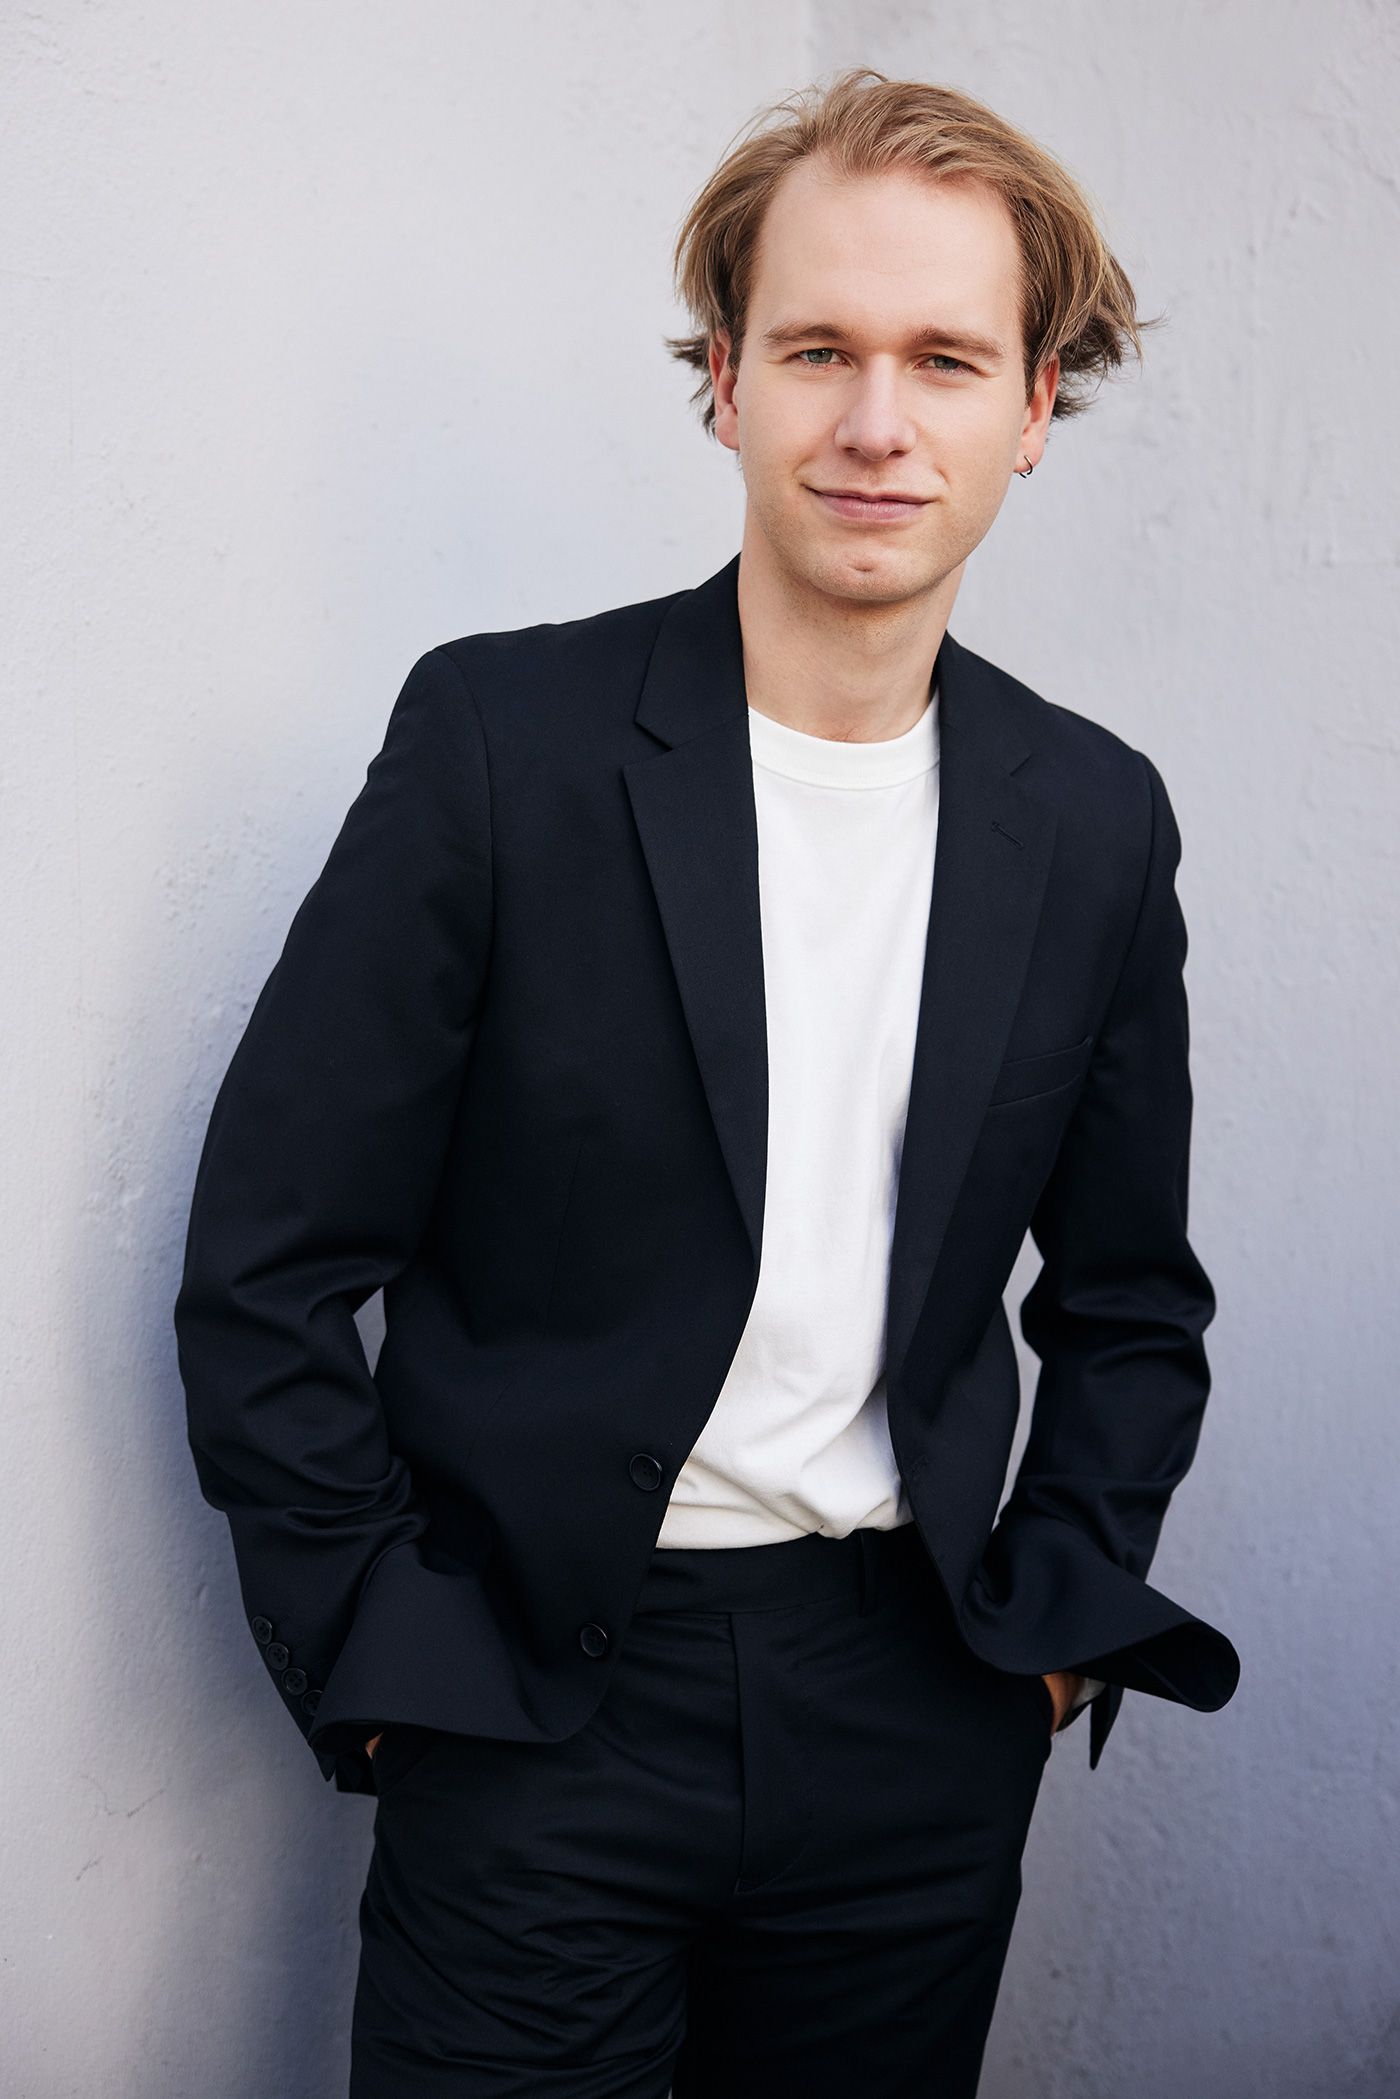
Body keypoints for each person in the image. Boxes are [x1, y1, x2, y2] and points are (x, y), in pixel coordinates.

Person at [173, 66, 1240, 2098]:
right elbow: (268, 1263)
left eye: (945, 360)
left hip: (912, 1716)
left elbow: (1128, 1303)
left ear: (1032, 409)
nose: (874, 421)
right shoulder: (503, 745)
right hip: (535, 1706)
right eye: (817, 348)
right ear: (726, 384)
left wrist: (1044, 1643)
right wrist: (386, 1650)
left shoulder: (1093, 820)